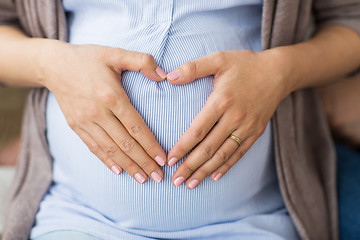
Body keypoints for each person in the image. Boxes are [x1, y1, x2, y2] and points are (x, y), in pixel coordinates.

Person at [0, 0, 359, 239]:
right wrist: (50, 64)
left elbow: (350, 19)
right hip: (78, 218)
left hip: (253, 222)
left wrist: (281, 71)